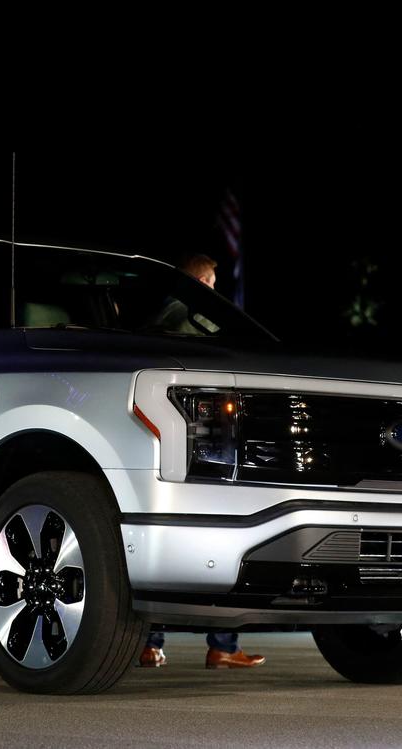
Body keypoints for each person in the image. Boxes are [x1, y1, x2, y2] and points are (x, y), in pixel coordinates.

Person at [139, 253, 265, 670]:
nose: (214, 290)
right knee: (219, 536)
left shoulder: (163, 314)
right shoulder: (184, 315)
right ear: (192, 282)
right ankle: (221, 647)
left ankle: (154, 643)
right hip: (202, 433)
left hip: (187, 433)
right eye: (208, 281)